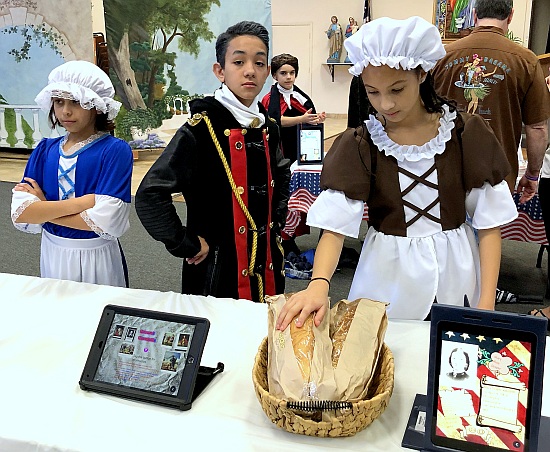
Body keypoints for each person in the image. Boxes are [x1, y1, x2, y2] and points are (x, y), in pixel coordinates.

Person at [276, 16, 518, 331]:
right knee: (386, 357)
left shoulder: (464, 133)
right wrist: (319, 284)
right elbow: (334, 227)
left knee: (451, 355)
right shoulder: (361, 143)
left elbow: (488, 224)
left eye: (397, 89)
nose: (385, 103)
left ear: (422, 73)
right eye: (372, 92)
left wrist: (486, 304)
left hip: (456, 268)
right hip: (387, 271)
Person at [135, 21, 290, 303]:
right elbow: (149, 194)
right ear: (220, 70)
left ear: (267, 71)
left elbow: (281, 173)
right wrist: (185, 243)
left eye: (259, 62)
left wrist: (276, 220)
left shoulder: (269, 126)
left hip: (266, 263)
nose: (250, 70)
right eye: (239, 61)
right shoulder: (200, 129)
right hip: (218, 271)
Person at [10, 60, 133, 287]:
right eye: (58, 102)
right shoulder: (44, 150)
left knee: (99, 314)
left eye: (76, 102)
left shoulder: (114, 151)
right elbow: (21, 213)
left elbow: (108, 222)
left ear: (95, 104)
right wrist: (84, 203)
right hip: (52, 252)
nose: (65, 111)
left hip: (97, 256)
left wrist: (44, 207)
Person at [432, 0, 550, 205]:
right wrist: (532, 174)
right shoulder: (526, 61)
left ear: (475, 15)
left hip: (445, 166)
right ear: (510, 15)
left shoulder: (442, 56)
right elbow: (537, 128)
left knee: (448, 233)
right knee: (487, 234)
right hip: (497, 170)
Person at [261, 54, 326, 256]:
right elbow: (273, 121)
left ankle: (291, 234)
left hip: (300, 152)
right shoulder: (268, 99)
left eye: (292, 73)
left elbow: (309, 121)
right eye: (283, 73)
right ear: (274, 75)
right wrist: (302, 118)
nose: (288, 77)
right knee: (282, 195)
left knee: (298, 194)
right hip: (279, 154)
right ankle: (281, 235)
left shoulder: (302, 97)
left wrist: (315, 119)